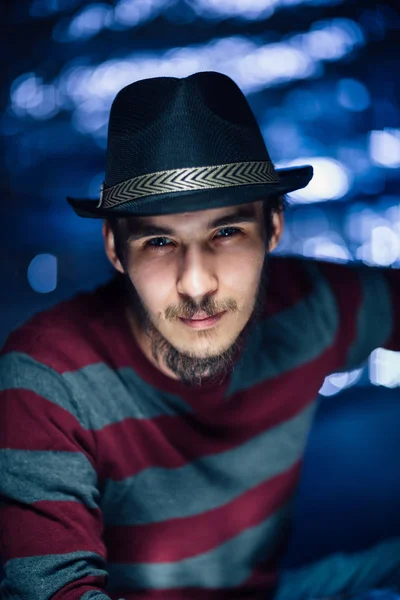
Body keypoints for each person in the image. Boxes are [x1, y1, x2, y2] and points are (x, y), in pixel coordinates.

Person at [0, 71, 399, 600]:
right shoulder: (43, 379)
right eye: (160, 241)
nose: (195, 284)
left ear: (274, 227)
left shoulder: (312, 303)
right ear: (116, 250)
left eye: (227, 232)